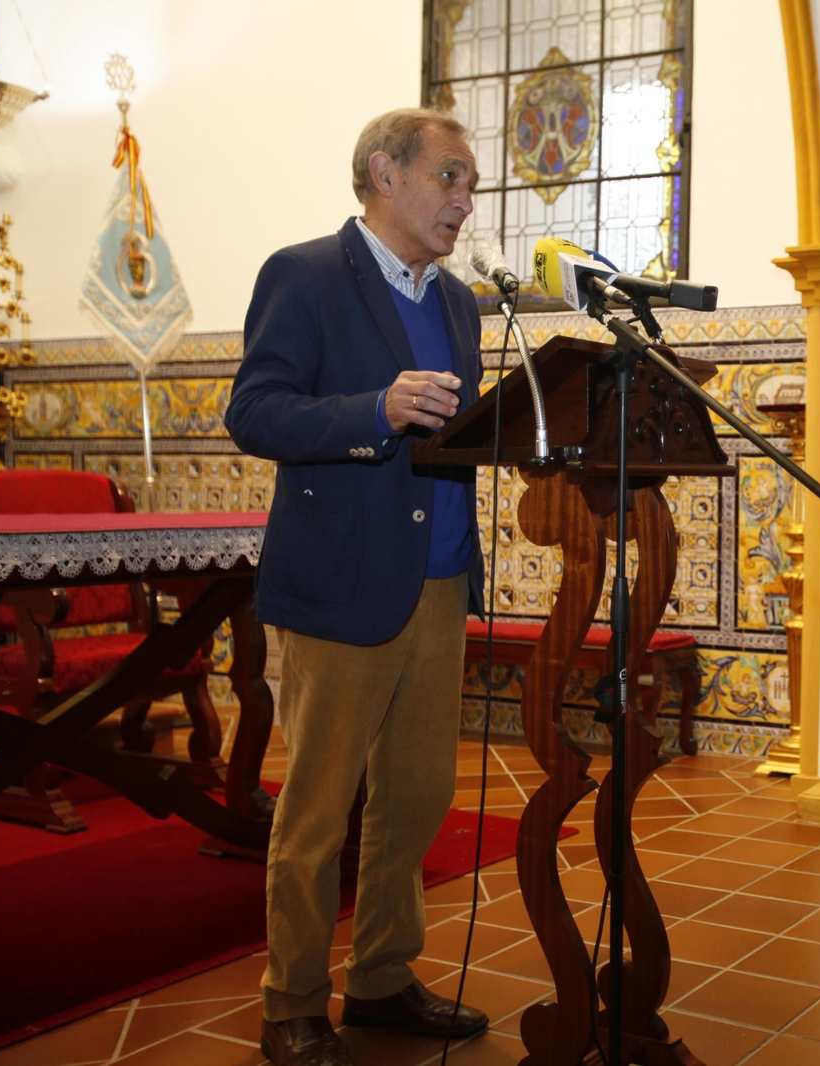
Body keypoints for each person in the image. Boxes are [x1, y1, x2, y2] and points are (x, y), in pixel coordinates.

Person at [225, 107, 490, 1066]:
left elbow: (451, 437)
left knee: (415, 799)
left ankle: (381, 978)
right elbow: (254, 412)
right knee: (317, 809)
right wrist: (372, 409)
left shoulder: (458, 304)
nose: (467, 199)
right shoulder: (303, 274)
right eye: (451, 177)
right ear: (386, 171)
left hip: (438, 584)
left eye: (470, 183)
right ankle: (291, 1002)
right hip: (340, 583)